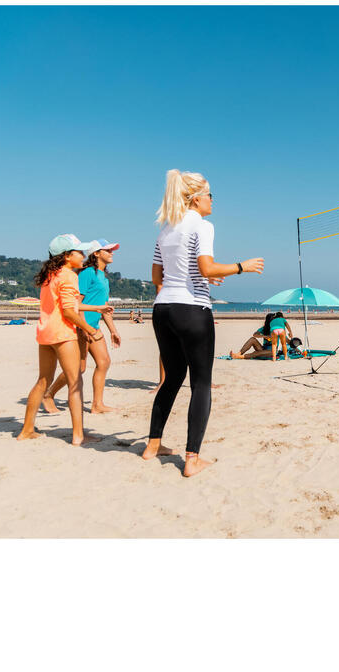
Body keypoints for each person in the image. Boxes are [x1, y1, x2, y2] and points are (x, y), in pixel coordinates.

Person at [142, 169, 264, 477]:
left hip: (163, 309)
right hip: (191, 310)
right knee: (200, 383)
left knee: (171, 378)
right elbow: (205, 266)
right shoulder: (203, 225)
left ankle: (152, 445)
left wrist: (206, 277)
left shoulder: (166, 228)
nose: (213, 201)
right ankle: (192, 459)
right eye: (210, 195)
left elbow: (158, 277)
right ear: (196, 198)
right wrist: (241, 267)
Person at [17, 234, 112, 444]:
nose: (83, 255)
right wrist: (89, 328)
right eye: (79, 252)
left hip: (45, 334)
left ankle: (26, 430)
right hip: (63, 335)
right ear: (67, 256)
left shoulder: (50, 275)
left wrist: (95, 310)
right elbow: (69, 312)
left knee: (43, 381)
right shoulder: (69, 276)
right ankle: (78, 435)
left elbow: (64, 307)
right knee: (75, 383)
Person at [42, 238, 121, 414]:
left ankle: (97, 405)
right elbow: (77, 303)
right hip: (82, 325)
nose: (112, 253)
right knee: (80, 368)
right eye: (108, 250)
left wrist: (113, 331)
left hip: (94, 326)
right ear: (96, 253)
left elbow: (104, 307)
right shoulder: (87, 273)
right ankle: (48, 394)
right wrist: (84, 327)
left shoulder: (103, 277)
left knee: (104, 362)